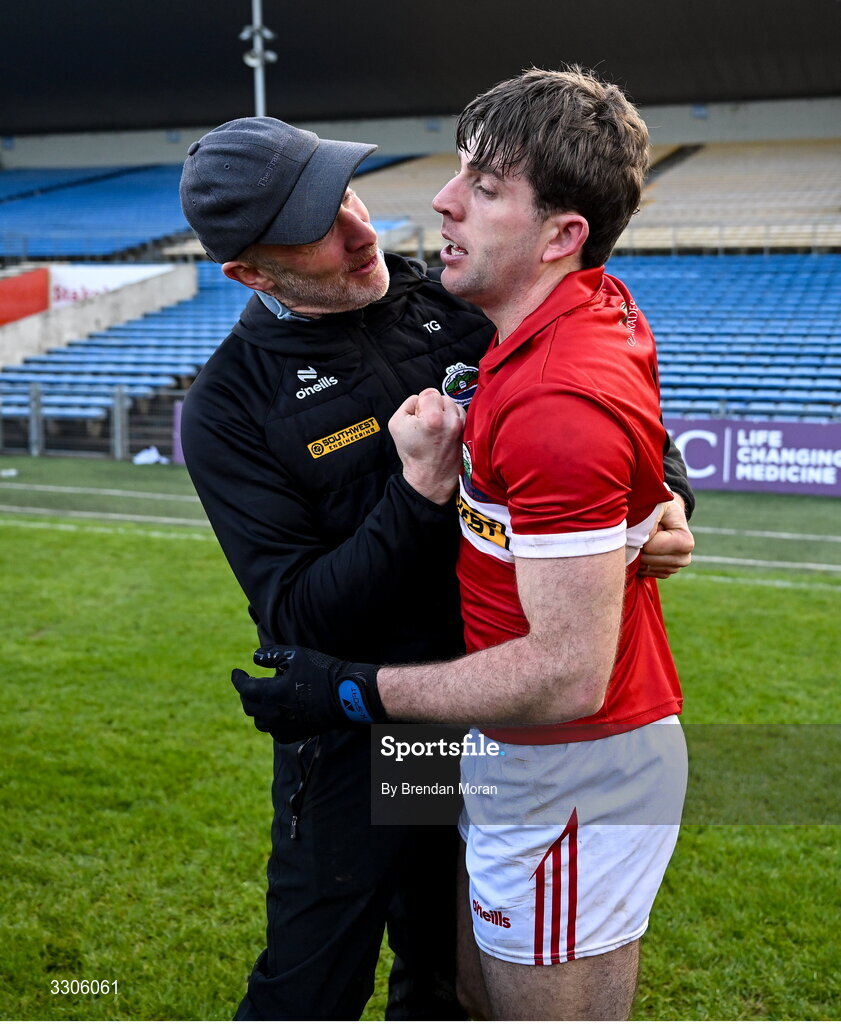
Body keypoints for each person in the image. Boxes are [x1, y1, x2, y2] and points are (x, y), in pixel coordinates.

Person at [180, 113, 694, 1020]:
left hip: (498, 711)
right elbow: (298, 617)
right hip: (366, 726)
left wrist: (670, 501)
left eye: (345, 194)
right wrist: (418, 489)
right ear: (250, 273)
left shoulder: (454, 297)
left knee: (448, 971)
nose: (360, 229)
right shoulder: (230, 405)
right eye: (317, 227)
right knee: (313, 980)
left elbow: (607, 407)